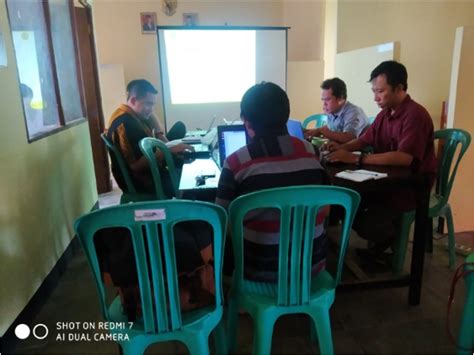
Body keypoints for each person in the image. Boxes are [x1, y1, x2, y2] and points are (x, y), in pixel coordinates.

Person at [215, 82, 329, 281]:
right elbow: (326, 209)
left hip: (258, 271)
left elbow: (222, 222)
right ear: (286, 115)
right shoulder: (313, 153)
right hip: (311, 268)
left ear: (246, 122)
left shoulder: (235, 162)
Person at [326, 61, 437, 258]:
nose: (375, 97)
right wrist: (341, 148)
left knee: (363, 217)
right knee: (341, 202)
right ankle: (364, 248)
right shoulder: (384, 115)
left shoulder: (415, 115)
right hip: (385, 179)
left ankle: (387, 242)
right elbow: (363, 140)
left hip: (409, 186)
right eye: (374, 91)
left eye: (380, 91)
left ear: (400, 88)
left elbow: (404, 159)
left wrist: (356, 160)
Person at [107, 79, 192, 196]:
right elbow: (137, 167)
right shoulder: (127, 124)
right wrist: (168, 150)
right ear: (133, 100)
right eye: (148, 104)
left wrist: (160, 135)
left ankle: (180, 161)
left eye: (153, 104)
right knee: (191, 184)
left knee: (179, 136)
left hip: (151, 168)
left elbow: (151, 117)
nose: (151, 109)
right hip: (142, 181)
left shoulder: (126, 112)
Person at [304, 77, 369, 144]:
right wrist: (311, 131)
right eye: (323, 100)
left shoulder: (353, 112)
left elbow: (349, 138)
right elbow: (331, 128)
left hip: (360, 151)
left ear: (340, 98)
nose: (324, 104)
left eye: (328, 99)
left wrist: (321, 131)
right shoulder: (333, 111)